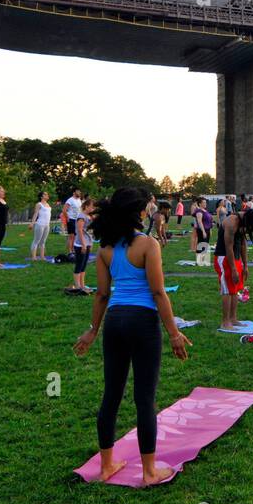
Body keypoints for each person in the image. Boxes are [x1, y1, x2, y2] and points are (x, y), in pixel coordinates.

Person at [72, 187, 190, 486]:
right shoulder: (148, 245)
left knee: (111, 395)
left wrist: (92, 330)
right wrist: (174, 333)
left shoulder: (106, 250)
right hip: (142, 323)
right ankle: (150, 473)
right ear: (139, 213)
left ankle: (107, 465)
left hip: (114, 322)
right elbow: (158, 292)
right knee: (144, 399)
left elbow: (101, 295)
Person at [214, 204, 249, 332]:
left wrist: (245, 265)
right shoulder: (231, 222)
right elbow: (228, 247)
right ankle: (225, 322)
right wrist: (233, 269)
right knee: (227, 290)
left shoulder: (243, 223)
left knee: (235, 289)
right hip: (223, 258)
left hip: (235, 258)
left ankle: (233, 318)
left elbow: (243, 244)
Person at [67, 197, 95, 293]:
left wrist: (89, 244)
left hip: (86, 243)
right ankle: (78, 286)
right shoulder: (81, 216)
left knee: (84, 266)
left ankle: (82, 285)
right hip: (80, 245)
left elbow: (88, 232)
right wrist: (83, 245)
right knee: (79, 265)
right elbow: (79, 231)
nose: (93, 209)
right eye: (92, 207)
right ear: (86, 206)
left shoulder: (88, 217)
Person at [30, 191, 52, 261]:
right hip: (40, 224)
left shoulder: (48, 204)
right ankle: (34, 257)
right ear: (41, 197)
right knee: (36, 240)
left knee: (43, 241)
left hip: (47, 225)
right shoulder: (39, 204)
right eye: (45, 194)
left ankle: (42, 257)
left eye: (47, 194)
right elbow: (35, 214)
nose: (47, 195)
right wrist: (32, 223)